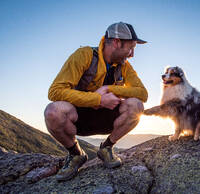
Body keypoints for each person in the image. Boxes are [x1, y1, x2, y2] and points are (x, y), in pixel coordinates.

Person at [44, 22, 148, 181]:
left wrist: (109, 89)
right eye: (130, 47)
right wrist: (97, 99)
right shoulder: (84, 55)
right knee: (53, 112)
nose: (132, 54)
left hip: (107, 118)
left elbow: (143, 93)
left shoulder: (124, 66)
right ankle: (76, 154)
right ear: (116, 42)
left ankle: (106, 147)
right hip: (78, 118)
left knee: (136, 106)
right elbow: (55, 91)